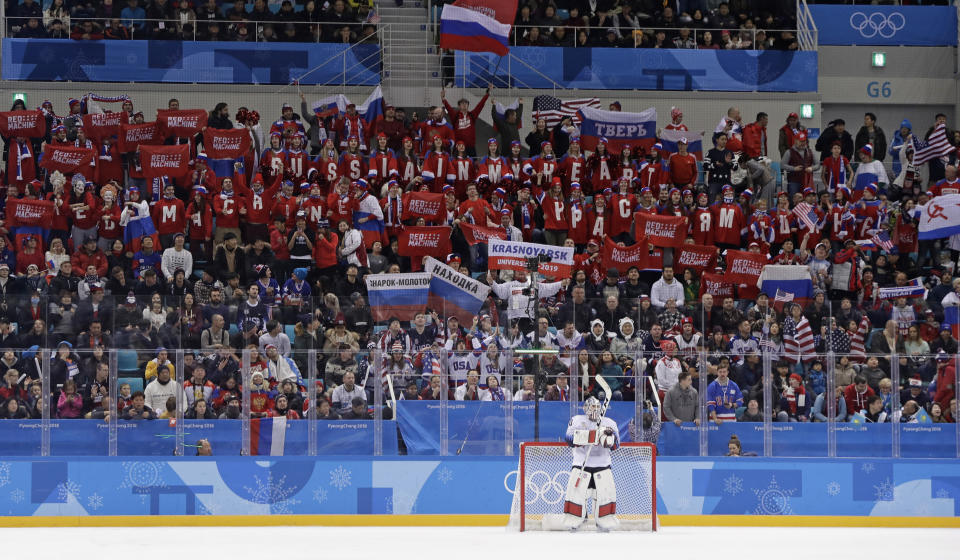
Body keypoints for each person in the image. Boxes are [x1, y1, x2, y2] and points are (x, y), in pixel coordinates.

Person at [562, 396, 620, 531]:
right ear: (585, 408)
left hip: (602, 464)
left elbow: (616, 445)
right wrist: (591, 436)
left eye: (597, 407)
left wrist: (608, 437)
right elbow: (568, 439)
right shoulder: (577, 420)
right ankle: (575, 520)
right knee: (577, 495)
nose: (595, 409)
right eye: (592, 407)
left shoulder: (609, 423)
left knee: (604, 495)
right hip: (581, 463)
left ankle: (603, 522)